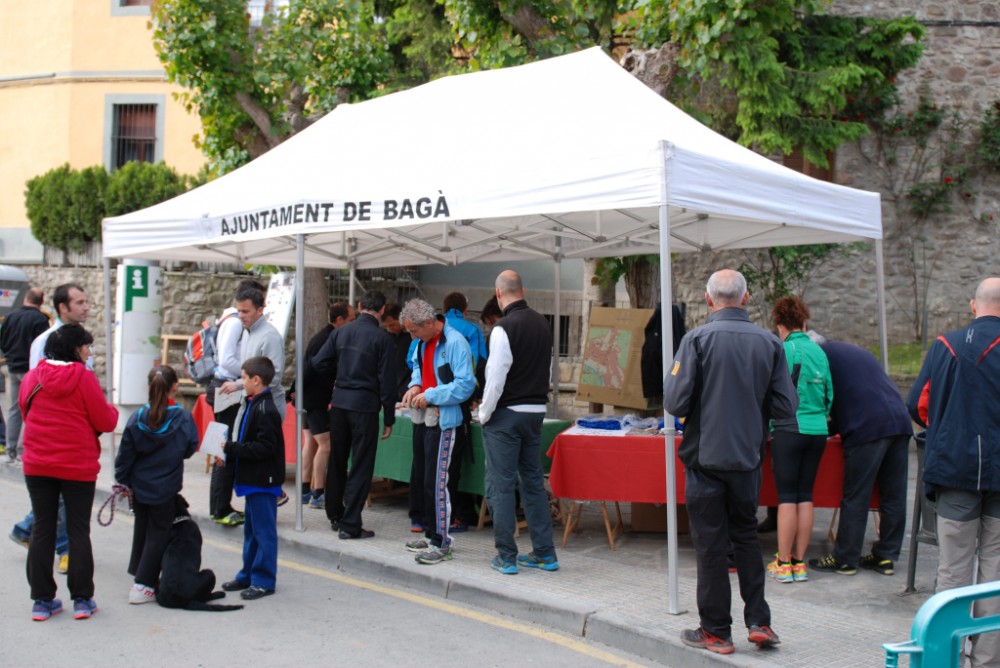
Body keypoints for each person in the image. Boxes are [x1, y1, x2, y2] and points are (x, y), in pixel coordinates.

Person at [663, 269, 797, 655]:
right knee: (746, 540)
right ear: (745, 297)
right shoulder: (770, 343)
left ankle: (717, 631)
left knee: (710, 546)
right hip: (746, 458)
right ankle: (759, 622)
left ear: (708, 300)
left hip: (705, 460)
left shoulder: (696, 340)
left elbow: (675, 402)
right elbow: (786, 407)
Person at [907, 277, 1000, 668]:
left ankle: (946, 658)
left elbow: (917, 404)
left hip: (954, 469)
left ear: (972, 306)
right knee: (996, 573)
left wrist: (946, 428)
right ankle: (988, 661)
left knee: (953, 572)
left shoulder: (945, 345)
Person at [20, 324, 119, 621]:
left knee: (42, 528)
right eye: (87, 348)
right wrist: (111, 411)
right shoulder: (84, 379)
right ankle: (82, 599)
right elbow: (105, 420)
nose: (89, 353)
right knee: (78, 530)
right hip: (77, 465)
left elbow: (25, 410)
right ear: (76, 349)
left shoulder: (32, 377)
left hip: (37, 463)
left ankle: (42, 600)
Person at [806, 331, 911, 577]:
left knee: (856, 495)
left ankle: (845, 559)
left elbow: (820, 401)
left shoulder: (819, 357)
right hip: (899, 422)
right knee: (893, 495)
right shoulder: (852, 350)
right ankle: (886, 556)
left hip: (868, 427)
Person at [478, 270, 558, 575]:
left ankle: (506, 556)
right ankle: (544, 553)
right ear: (521, 290)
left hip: (506, 415)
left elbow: (495, 378)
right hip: (535, 411)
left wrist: (484, 414)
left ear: (498, 294)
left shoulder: (503, 328)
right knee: (533, 484)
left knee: (502, 484)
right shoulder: (544, 323)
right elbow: (549, 370)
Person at [311, 290, 396, 539]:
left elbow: (318, 362)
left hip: (339, 404)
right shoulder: (383, 339)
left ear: (359, 306)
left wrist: (339, 375)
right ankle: (350, 523)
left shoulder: (340, 332)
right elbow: (387, 382)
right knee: (361, 464)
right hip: (365, 406)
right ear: (381, 311)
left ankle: (335, 514)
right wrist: (389, 416)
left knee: (337, 459)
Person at [115, 365, 199, 605]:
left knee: (142, 529)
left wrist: (121, 481)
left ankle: (139, 572)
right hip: (166, 486)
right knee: (158, 534)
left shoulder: (137, 418)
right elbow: (190, 448)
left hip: (140, 485)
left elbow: (125, 455)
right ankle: (143, 583)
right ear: (176, 386)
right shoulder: (182, 417)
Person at [400, 299, 475, 565]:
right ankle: (432, 534)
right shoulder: (423, 342)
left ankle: (442, 541)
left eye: (414, 331)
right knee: (423, 478)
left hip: (444, 421)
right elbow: (419, 369)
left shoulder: (455, 342)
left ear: (430, 323)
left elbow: (466, 385)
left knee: (438, 482)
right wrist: (415, 385)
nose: (412, 337)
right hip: (423, 419)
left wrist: (431, 394)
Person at [766, 295, 832, 584]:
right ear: (803, 322)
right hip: (818, 430)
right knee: (806, 496)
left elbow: (773, 393)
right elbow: (830, 394)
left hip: (789, 428)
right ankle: (800, 563)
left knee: (786, 498)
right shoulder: (820, 351)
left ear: (781, 325)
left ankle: (782, 563)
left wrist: (770, 424)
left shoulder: (785, 350)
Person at [217, 283, 287, 518]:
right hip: (251, 404)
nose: (241, 316)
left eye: (246, 311)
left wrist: (239, 384)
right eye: (239, 311)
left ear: (260, 310)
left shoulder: (269, 336)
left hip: (266, 407)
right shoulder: (247, 333)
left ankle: (267, 504)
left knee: (261, 458)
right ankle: (256, 507)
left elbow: (274, 376)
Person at [219, 356, 285, 600]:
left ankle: (264, 579)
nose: (242, 382)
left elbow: (265, 447)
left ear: (256, 380)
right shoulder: (255, 403)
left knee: (264, 532)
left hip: (263, 481)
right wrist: (231, 449)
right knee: (252, 530)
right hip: (254, 479)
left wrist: (232, 448)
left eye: (244, 378)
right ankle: (247, 573)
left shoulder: (266, 409)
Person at [210, 279, 264, 526]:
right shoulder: (233, 323)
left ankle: (222, 505)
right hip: (227, 391)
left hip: (228, 389)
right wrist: (248, 373)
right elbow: (226, 360)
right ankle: (220, 508)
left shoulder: (231, 320)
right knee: (225, 451)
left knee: (225, 450)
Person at [299, 301, 353, 508]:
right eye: (350, 320)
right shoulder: (328, 338)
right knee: (325, 444)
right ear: (339, 320)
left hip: (307, 397)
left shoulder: (321, 336)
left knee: (311, 442)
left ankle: (305, 489)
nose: (352, 324)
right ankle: (318, 492)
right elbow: (315, 367)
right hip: (315, 399)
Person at [441, 291, 488, 532]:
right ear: (465, 310)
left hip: (434, 402)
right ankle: (461, 513)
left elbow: (412, 361)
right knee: (455, 462)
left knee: (440, 464)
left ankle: (433, 514)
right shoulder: (472, 330)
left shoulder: (435, 327)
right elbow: (481, 363)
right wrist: (476, 397)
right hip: (461, 404)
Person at [1, 287, 49, 463]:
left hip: (12, 367)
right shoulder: (40, 319)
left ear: (26, 298)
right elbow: (43, 346)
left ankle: (11, 448)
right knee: (32, 409)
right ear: (41, 302)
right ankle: (25, 448)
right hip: (30, 370)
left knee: (14, 408)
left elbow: (3, 339)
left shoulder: (11, 316)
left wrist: (9, 356)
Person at [382, 303, 413, 403]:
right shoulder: (385, 336)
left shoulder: (413, 336)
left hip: (408, 388)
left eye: (392, 325)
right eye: (386, 326)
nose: (389, 329)